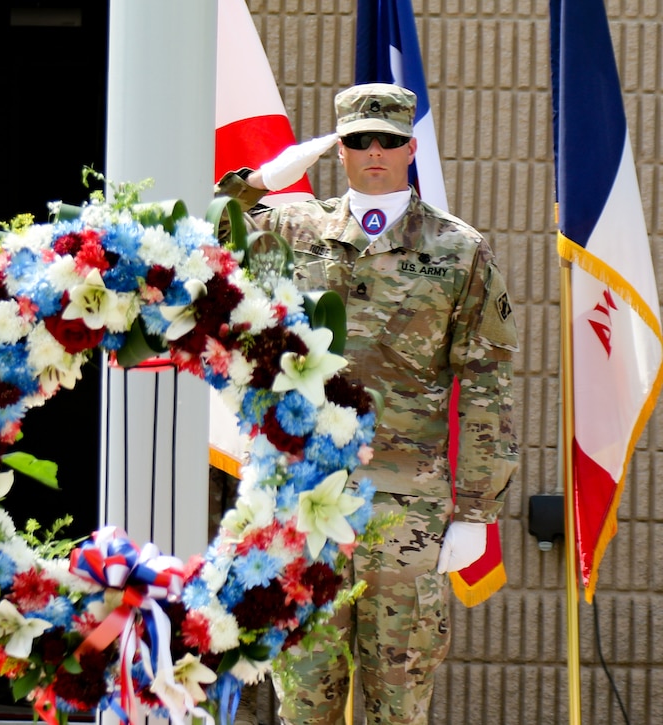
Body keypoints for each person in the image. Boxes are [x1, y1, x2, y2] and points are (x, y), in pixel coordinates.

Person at [217, 83, 519, 724]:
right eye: (358, 140)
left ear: (412, 147)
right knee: (303, 697)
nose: (373, 151)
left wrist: (475, 511)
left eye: (387, 139)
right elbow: (204, 238)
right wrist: (262, 181)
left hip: (405, 508)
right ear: (340, 149)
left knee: (398, 701)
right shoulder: (292, 230)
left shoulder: (458, 249)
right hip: (303, 503)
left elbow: (488, 382)